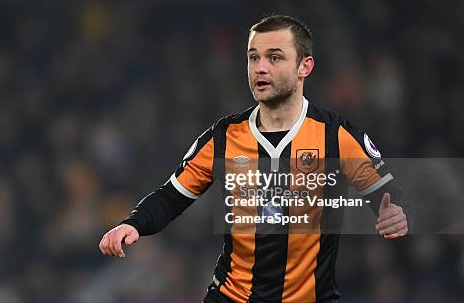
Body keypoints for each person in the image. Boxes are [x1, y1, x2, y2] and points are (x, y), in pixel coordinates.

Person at [98, 15, 409, 303]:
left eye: (274, 57)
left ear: (305, 67)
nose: (260, 67)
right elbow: (171, 197)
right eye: (253, 57)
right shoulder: (222, 137)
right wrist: (134, 224)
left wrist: (394, 209)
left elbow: (387, 195)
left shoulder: (335, 135)